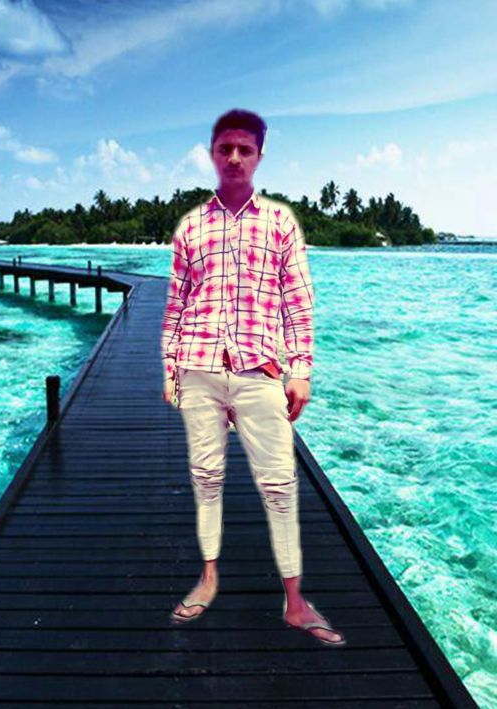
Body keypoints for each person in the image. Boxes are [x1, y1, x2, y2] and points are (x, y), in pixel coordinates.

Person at [160, 108, 346, 647]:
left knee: (280, 484)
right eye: (226, 149)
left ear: (260, 156)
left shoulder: (280, 222)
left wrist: (301, 371)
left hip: (260, 369)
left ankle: (295, 601)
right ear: (212, 154)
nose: (235, 158)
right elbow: (176, 304)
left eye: (245, 149)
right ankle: (208, 578)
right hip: (198, 366)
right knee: (206, 476)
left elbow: (298, 303)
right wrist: (170, 368)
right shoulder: (191, 226)